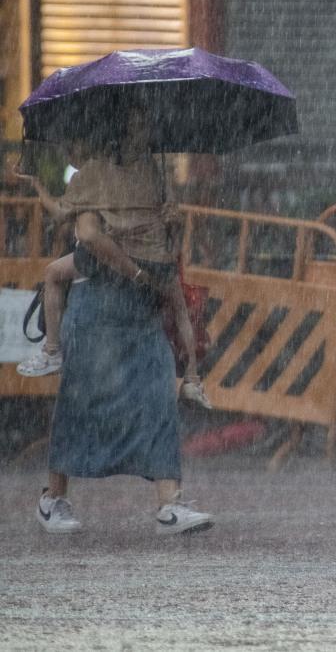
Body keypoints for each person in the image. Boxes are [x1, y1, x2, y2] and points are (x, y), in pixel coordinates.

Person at [34, 108, 214, 535]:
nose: (145, 131)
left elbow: (162, 239)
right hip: (98, 307)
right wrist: (132, 268)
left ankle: (169, 503)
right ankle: (53, 497)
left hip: (145, 309)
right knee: (82, 406)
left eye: (147, 124)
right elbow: (87, 231)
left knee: (157, 401)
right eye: (135, 124)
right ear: (117, 130)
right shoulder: (93, 173)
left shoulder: (155, 173)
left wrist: (172, 221)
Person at [7, 142, 212, 411]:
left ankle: (52, 350)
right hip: (156, 261)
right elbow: (170, 226)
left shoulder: (97, 176)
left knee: (53, 274)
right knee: (181, 310)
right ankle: (193, 380)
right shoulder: (150, 175)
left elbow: (81, 229)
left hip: (117, 274)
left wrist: (37, 186)